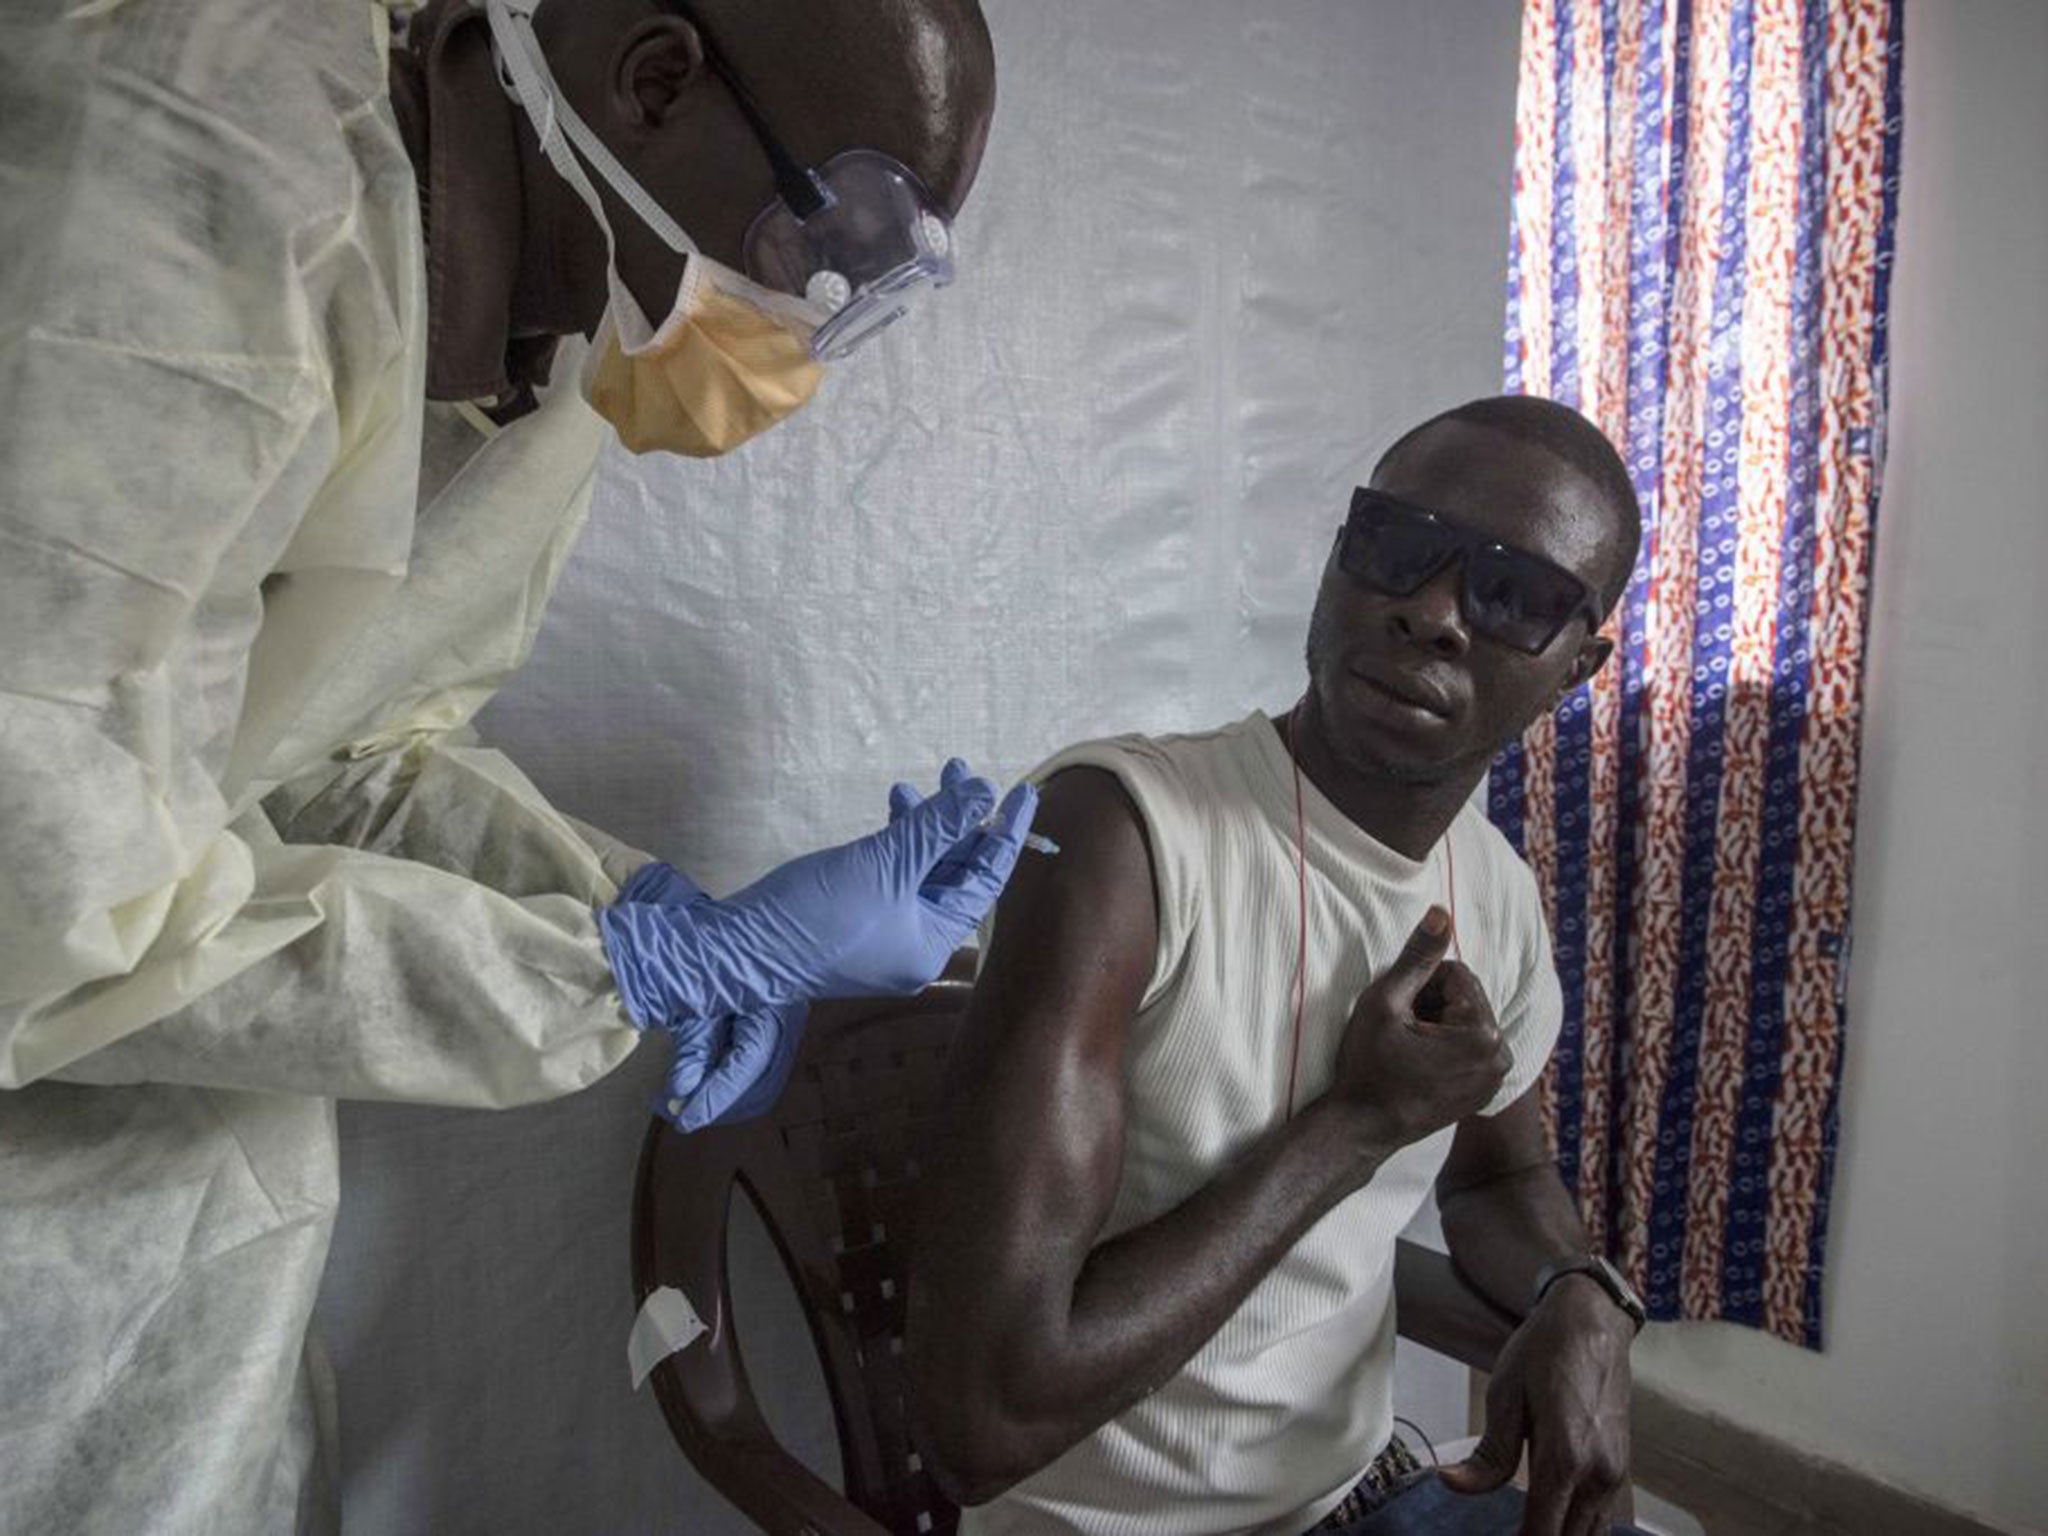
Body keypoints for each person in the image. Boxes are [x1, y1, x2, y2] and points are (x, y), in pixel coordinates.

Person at [0, 0, 1022, 1532]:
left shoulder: (549, 353)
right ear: (658, 75)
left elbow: (344, 746)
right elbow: (42, 876)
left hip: (169, 1162)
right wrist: (633, 964)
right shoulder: (190, 168)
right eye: (841, 240)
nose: (812, 323)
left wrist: (644, 913)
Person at [908, 396, 1657, 1536]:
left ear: (1575, 667)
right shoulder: (1126, 838)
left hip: (1361, 1502)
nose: (1432, 613)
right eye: (1399, 547)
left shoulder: (1491, 892)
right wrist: (1355, 1125)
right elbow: (978, 1421)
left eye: (1514, 597)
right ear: (1339, 559)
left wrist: (1577, 1295)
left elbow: (1497, 1181)